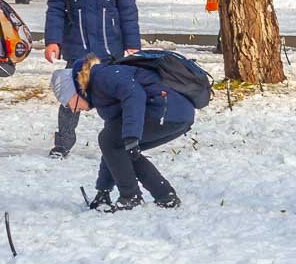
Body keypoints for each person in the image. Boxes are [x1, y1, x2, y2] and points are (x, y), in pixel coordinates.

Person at [43, 0, 140, 158]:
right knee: (71, 98)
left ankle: (121, 140)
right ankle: (63, 142)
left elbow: (127, 9)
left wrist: (132, 43)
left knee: (117, 99)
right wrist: (53, 41)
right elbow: (55, 7)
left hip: (111, 49)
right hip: (78, 48)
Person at [50, 55, 192, 212]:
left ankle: (130, 197)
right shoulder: (98, 95)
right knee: (118, 146)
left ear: (75, 91)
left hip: (168, 110)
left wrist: (131, 135)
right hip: (172, 114)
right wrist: (103, 190)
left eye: (70, 104)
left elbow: (134, 94)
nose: (74, 110)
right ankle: (165, 196)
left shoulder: (103, 77)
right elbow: (111, 151)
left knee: (112, 140)